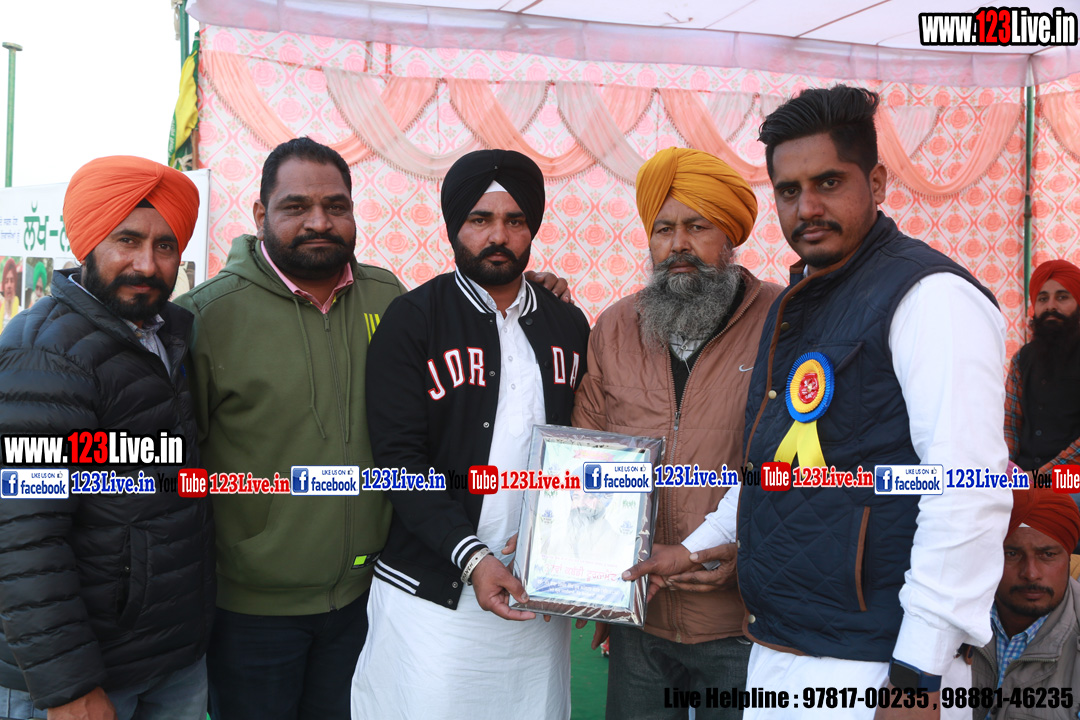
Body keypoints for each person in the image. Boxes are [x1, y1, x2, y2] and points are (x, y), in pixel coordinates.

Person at [177, 137, 572, 719]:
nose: (319, 222)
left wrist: (543, 294)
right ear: (260, 213)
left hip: (360, 597)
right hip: (254, 608)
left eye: (336, 206)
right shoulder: (208, 316)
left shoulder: (387, 297)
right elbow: (176, 467)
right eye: (296, 207)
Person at [735, 86, 1012, 718]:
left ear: (878, 182)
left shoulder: (932, 297)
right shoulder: (802, 299)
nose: (807, 207)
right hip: (783, 649)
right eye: (787, 190)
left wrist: (919, 671)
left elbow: (968, 489)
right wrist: (704, 544)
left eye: (829, 182)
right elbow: (776, 464)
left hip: (882, 670)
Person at [353, 149, 590, 719]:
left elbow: (586, 448)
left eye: (515, 220)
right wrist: (474, 558)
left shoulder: (567, 323)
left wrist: (575, 558)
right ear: (454, 225)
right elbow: (398, 462)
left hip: (533, 594)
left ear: (533, 226)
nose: (498, 236)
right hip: (431, 599)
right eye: (480, 219)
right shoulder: (413, 319)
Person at [0, 156, 213, 720]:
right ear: (88, 243)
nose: (147, 263)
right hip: (85, 675)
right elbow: (22, 535)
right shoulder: (46, 353)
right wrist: (69, 686)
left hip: (168, 656)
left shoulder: (166, 336)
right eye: (127, 240)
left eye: (165, 245)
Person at [579, 147, 782, 719]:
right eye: (664, 229)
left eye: (698, 226)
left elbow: (796, 465)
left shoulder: (780, 320)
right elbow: (587, 453)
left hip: (740, 621)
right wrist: (599, 587)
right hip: (641, 615)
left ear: (730, 236)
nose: (678, 245)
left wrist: (741, 551)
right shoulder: (615, 327)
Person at [969, 488, 1080, 719]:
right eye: (1011, 554)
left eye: (1047, 555)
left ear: (1069, 557)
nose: (1031, 574)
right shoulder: (947, 614)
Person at [1004, 261, 1080, 496]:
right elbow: (1010, 425)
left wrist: (1038, 478)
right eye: (1043, 298)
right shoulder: (1022, 359)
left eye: (1062, 297)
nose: (1051, 306)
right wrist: (1005, 470)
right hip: (1025, 477)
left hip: (1072, 479)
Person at [1, 257, 20, 329]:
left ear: (15, 284)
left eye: (12, 281)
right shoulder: (1, 311)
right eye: (6, 281)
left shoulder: (20, 312)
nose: (9, 286)